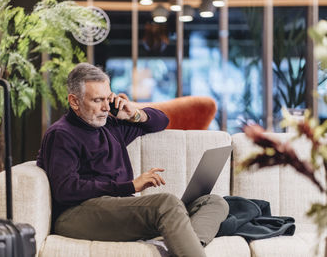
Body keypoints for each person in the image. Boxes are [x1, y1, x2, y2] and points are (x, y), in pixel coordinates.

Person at [37, 63, 229, 257]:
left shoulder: (110, 125)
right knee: (166, 204)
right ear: (74, 101)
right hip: (76, 215)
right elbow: (66, 189)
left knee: (214, 202)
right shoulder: (61, 134)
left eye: (107, 98)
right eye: (97, 100)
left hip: (118, 209)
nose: (105, 107)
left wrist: (134, 113)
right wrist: (129, 186)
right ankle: (182, 242)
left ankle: (182, 243)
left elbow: (161, 120)